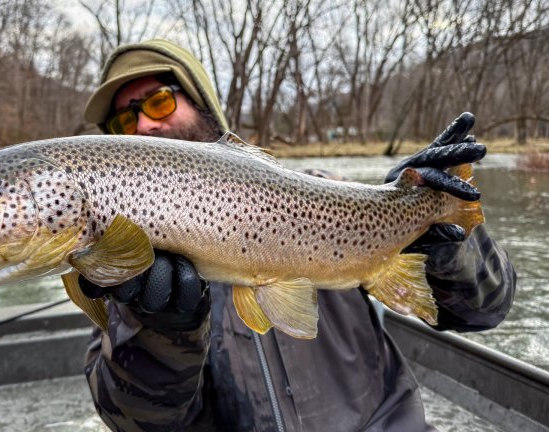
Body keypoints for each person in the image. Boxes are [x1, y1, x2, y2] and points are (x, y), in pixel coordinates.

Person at [79, 39, 516, 431]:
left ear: (204, 103)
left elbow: (485, 310)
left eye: (158, 102)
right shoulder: (117, 283)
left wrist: (440, 238)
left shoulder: (325, 192)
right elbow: (139, 424)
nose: (143, 126)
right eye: (122, 122)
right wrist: (158, 330)